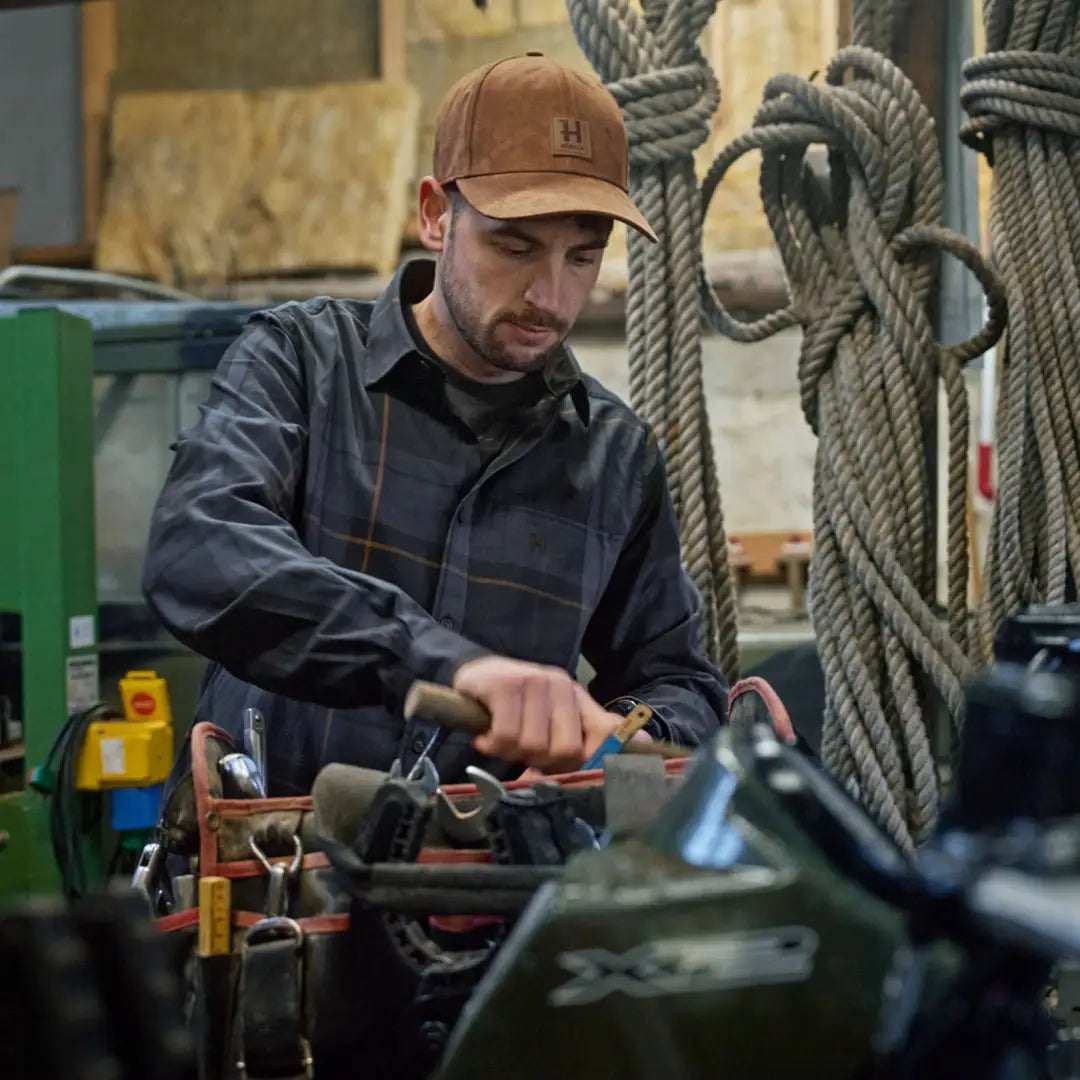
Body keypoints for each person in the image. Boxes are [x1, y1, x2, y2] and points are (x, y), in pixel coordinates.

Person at [142, 52, 728, 795]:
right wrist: (445, 664)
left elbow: (680, 680)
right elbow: (199, 547)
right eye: (514, 247)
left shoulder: (615, 455)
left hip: (493, 893)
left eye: (583, 257)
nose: (550, 295)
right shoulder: (302, 361)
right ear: (434, 216)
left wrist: (624, 739)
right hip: (282, 878)